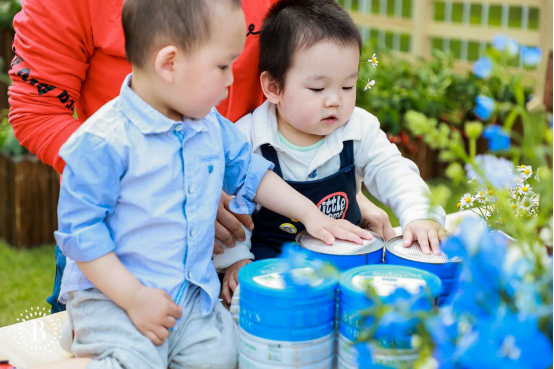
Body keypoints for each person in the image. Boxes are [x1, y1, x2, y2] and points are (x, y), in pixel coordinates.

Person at [34, 0, 373, 367]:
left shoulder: (207, 123)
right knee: (135, 359)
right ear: (169, 64)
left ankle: (87, 334)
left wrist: (312, 214)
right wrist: (134, 299)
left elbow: (251, 173)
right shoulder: (102, 142)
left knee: (225, 357)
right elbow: (81, 235)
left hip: (190, 293)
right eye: (223, 66)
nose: (232, 79)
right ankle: (90, 327)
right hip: (117, 295)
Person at [215, 0, 448, 304]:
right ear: (273, 87)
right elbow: (234, 209)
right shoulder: (248, 138)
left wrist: (420, 215)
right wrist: (235, 260)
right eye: (317, 89)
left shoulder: (358, 128)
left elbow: (393, 170)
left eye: (348, 87)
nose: (335, 101)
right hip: (272, 269)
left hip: (345, 261)